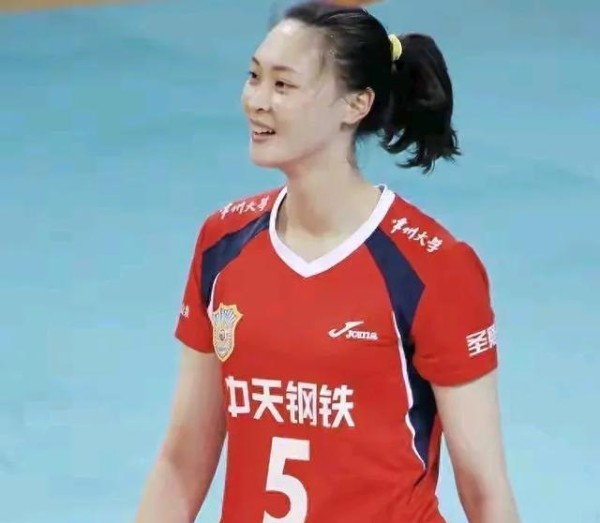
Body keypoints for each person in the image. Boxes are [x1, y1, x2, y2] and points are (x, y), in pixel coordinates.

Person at [134, 2, 520, 522]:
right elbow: (182, 462)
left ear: (355, 104)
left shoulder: (432, 267)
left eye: (283, 85)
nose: (256, 101)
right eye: (254, 76)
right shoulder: (223, 243)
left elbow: (485, 491)